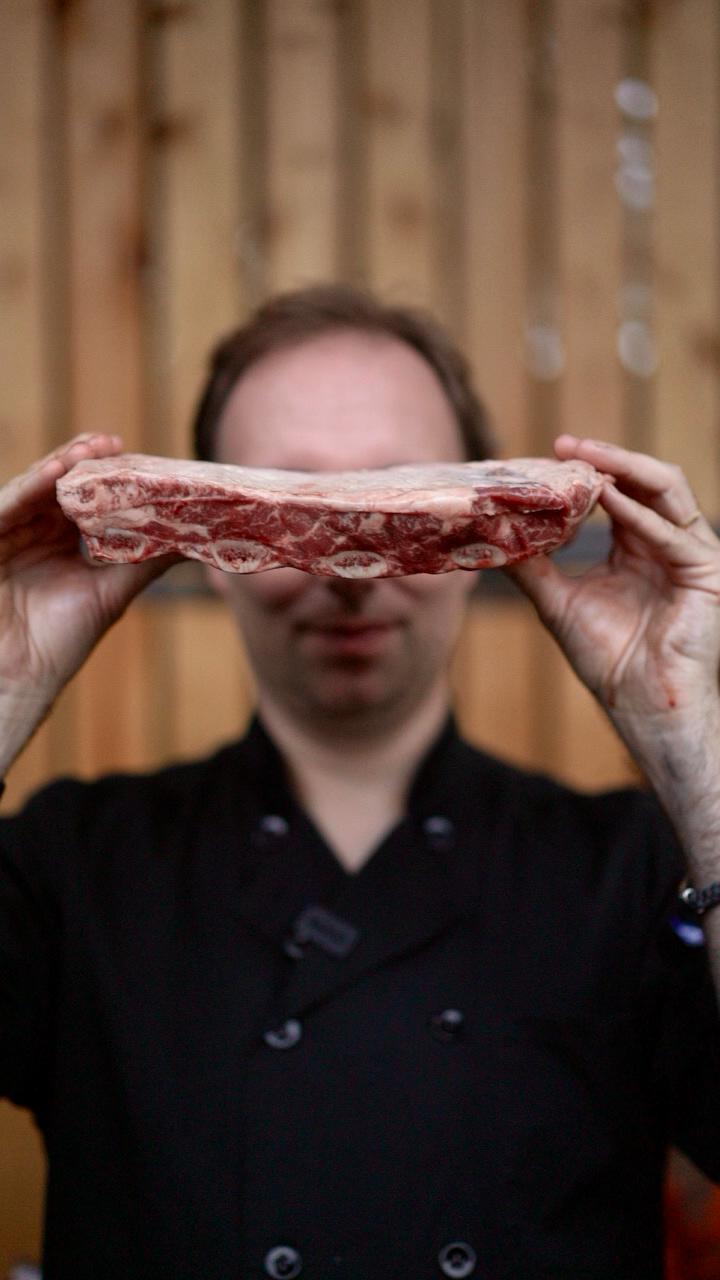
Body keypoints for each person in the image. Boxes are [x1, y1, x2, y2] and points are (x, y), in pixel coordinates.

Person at [1, 284, 720, 1280]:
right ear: (210, 549)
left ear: (483, 543)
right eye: (289, 505)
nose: (347, 569)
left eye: (396, 505)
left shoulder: (642, 866)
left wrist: (692, 737)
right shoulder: (72, 858)